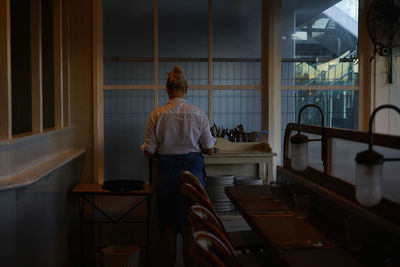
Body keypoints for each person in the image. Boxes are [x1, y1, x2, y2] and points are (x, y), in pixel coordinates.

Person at [141, 65, 215, 267]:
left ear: (167, 89)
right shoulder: (198, 114)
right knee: (191, 227)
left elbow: (148, 151)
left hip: (167, 174)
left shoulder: (157, 114)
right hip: (193, 176)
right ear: (187, 89)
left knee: (168, 228)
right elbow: (209, 148)